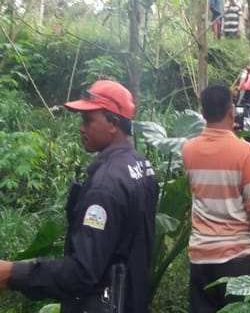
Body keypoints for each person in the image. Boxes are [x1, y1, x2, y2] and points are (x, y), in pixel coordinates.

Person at [0, 80, 159, 313]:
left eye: (88, 120)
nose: (81, 128)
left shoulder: (105, 186)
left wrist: (14, 273)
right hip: (133, 300)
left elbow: (83, 271)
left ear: (113, 123)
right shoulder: (142, 165)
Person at [182, 84, 250, 313]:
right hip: (237, 259)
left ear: (203, 112)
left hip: (201, 259)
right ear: (231, 110)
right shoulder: (244, 152)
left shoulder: (188, 150)